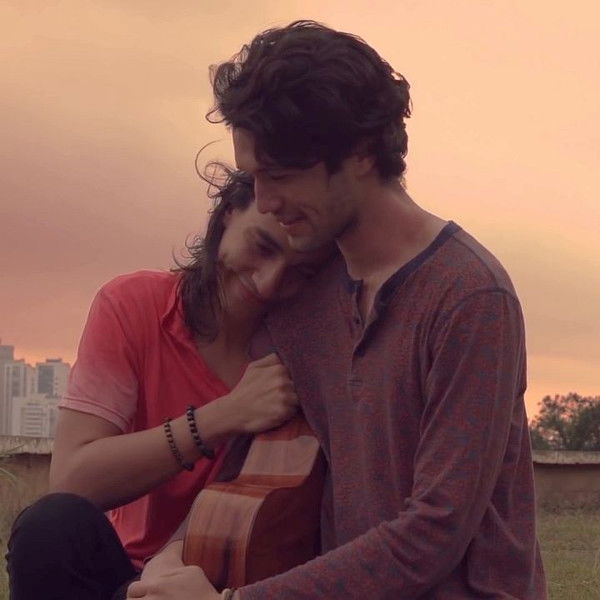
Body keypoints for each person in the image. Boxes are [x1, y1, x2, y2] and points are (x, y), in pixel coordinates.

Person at [127, 20, 547, 600]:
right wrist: (167, 561)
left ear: (360, 153)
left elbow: (434, 533)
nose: (264, 201)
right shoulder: (303, 301)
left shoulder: (470, 297)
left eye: (280, 175)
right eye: (254, 177)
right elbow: (239, 472)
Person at [6, 166, 330, 600]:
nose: (268, 283)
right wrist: (222, 417)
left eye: (298, 273)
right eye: (262, 246)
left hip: (226, 582)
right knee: (50, 528)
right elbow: (72, 480)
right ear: (229, 214)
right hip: (127, 574)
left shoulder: (305, 353)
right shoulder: (135, 305)